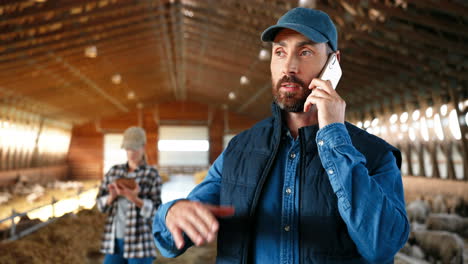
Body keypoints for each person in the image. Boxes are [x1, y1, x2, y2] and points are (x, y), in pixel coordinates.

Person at [153, 7, 409, 264]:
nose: (289, 66)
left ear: (334, 63)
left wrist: (334, 136)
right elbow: (170, 241)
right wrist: (170, 212)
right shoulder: (239, 150)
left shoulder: (375, 155)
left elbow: (382, 246)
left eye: (305, 52)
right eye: (280, 52)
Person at [97, 126, 162, 264]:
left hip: (140, 243)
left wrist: (135, 199)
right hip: (114, 241)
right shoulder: (114, 172)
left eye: (134, 148)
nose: (131, 152)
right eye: (128, 148)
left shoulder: (151, 175)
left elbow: (157, 212)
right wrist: (111, 197)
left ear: (143, 147)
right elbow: (99, 205)